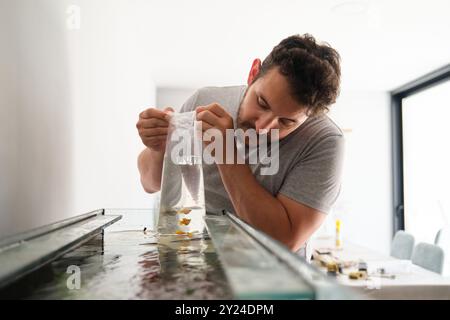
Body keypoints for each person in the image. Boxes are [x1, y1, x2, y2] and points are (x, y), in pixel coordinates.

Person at [136, 34, 344, 257]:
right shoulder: (204, 101)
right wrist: (159, 148)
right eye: (262, 103)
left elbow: (284, 241)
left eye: (286, 122)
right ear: (253, 73)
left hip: (268, 283)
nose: (263, 127)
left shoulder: (324, 141)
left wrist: (227, 155)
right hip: (193, 266)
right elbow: (151, 183)